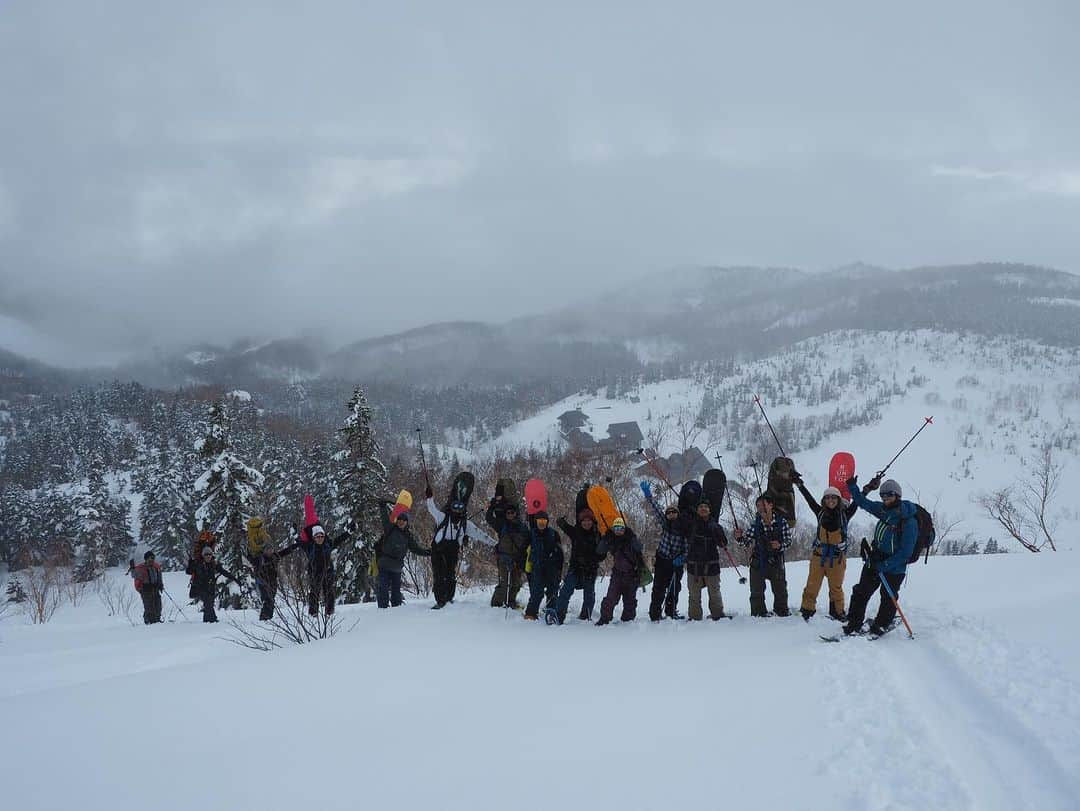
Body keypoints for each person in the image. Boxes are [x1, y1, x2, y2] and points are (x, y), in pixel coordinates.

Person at [842, 476, 918, 636]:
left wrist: (884, 565)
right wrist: (852, 487)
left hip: (895, 567)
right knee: (861, 591)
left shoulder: (908, 521)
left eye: (889, 495)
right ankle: (854, 623)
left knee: (888, 596)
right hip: (875, 558)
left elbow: (906, 552)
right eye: (882, 496)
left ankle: (881, 625)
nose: (885, 499)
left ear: (897, 495)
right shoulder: (883, 510)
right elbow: (864, 503)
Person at [424, 485, 491, 609]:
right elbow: (431, 509)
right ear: (451, 507)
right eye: (455, 506)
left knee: (450, 575)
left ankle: (448, 598)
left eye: (460, 507)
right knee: (439, 575)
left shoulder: (466, 524)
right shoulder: (443, 518)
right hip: (438, 551)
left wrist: (495, 543)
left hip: (452, 552)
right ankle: (440, 601)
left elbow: (481, 535)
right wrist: (429, 497)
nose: (457, 510)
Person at [734, 494, 792, 617]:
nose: (760, 508)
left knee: (780, 590)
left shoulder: (782, 522)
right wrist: (739, 538)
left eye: (763, 504)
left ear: (771, 505)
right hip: (758, 562)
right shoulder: (756, 524)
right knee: (756, 592)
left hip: (776, 562)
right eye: (758, 506)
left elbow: (788, 541)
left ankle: (782, 612)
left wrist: (780, 545)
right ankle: (758, 615)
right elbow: (746, 543)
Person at [640, 481, 687, 621]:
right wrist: (648, 495)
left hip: (676, 564)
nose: (671, 514)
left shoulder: (683, 528)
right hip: (662, 561)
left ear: (677, 514)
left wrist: (682, 559)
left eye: (674, 512)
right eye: (669, 513)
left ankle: (671, 612)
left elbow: (687, 548)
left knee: (674, 589)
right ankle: (654, 614)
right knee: (658, 589)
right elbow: (656, 509)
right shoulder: (665, 523)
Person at [678, 500, 729, 621]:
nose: (703, 508)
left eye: (706, 506)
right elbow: (679, 528)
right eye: (700, 506)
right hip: (694, 566)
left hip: (711, 565)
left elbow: (723, 544)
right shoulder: (691, 524)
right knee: (694, 595)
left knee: (714, 593)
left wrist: (716, 530)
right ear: (697, 510)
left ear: (710, 510)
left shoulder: (715, 526)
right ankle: (694, 618)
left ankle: (718, 615)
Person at [373, 502, 430, 608]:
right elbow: (385, 518)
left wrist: (429, 552)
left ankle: (397, 610)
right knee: (383, 588)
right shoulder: (390, 528)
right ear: (397, 520)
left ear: (407, 522)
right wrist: (382, 506)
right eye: (399, 519)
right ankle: (382, 610)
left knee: (396, 591)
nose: (401, 522)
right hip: (384, 564)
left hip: (397, 567)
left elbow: (416, 549)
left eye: (404, 520)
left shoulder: (408, 536)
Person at [244, 517, 299, 621]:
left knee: (271, 600)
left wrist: (296, 545)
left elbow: (285, 551)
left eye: (271, 549)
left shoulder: (274, 556)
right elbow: (250, 558)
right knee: (267, 600)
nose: (270, 551)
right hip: (262, 582)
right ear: (264, 551)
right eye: (268, 549)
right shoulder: (260, 559)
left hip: (273, 581)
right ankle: (264, 619)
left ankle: (268, 619)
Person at [554, 507, 603, 623]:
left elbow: (602, 554)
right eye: (584, 521)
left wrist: (595, 558)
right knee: (565, 591)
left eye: (589, 520)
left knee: (589, 596)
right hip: (575, 569)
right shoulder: (576, 532)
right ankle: (559, 616)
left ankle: (585, 618)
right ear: (581, 522)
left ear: (592, 521)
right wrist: (561, 520)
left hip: (590, 570)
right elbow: (563, 526)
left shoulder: (597, 534)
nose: (587, 523)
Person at [596, 516, 645, 626]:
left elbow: (640, 548)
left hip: (632, 575)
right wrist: (605, 538)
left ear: (624, 529)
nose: (619, 531)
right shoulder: (612, 540)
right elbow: (600, 550)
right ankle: (604, 619)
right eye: (616, 528)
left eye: (621, 528)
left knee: (630, 602)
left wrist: (632, 537)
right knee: (610, 599)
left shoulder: (630, 538)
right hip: (617, 575)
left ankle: (627, 622)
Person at [299, 524, 351, 616]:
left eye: (322, 536)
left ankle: (329, 612)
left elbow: (339, 540)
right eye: (317, 537)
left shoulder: (328, 544)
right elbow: (299, 542)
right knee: (314, 593)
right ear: (314, 538)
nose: (320, 538)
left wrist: (348, 533)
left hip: (328, 572)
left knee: (329, 593)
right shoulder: (310, 547)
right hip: (315, 573)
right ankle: (313, 613)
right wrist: (295, 534)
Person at [486, 502, 530, 609]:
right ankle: (496, 604)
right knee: (505, 582)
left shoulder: (523, 527)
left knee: (516, 583)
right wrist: (492, 506)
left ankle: (511, 601)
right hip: (504, 558)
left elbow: (528, 542)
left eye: (512, 512)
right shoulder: (502, 525)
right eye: (508, 513)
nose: (510, 515)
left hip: (518, 559)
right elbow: (489, 519)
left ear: (516, 513)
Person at [523, 511, 564, 621]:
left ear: (547, 522)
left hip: (552, 568)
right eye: (539, 521)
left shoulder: (554, 534)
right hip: (537, 567)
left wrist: (559, 569)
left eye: (544, 521)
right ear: (536, 521)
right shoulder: (531, 534)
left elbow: (560, 553)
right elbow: (523, 551)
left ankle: (551, 612)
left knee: (552, 592)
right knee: (537, 592)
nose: (541, 523)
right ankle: (530, 613)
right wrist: (526, 567)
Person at [185, 545, 239, 623]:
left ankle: (207, 621)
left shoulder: (214, 563)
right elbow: (188, 571)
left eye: (210, 554)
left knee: (210, 603)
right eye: (206, 555)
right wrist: (190, 563)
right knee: (208, 603)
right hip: (200, 587)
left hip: (210, 586)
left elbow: (223, 572)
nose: (208, 556)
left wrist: (234, 578)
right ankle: (212, 620)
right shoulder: (198, 563)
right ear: (203, 555)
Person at [130, 551, 163, 624]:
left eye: (153, 558)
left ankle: (157, 619)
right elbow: (134, 575)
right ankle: (149, 620)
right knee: (148, 606)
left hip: (155, 588)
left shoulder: (156, 566)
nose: (152, 560)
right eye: (150, 559)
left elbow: (159, 576)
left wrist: (161, 585)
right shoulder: (141, 568)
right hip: (145, 589)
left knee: (158, 605)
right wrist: (132, 568)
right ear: (146, 559)